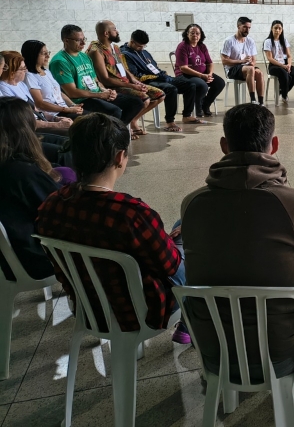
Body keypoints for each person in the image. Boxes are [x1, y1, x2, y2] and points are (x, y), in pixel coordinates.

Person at [180, 104, 294, 378]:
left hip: (212, 345)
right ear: (273, 145)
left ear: (225, 146)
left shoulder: (192, 203)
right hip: (282, 348)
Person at [36, 113, 190, 343]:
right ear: (120, 157)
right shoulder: (130, 213)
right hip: (143, 311)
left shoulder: (51, 204)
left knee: (180, 231)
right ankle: (192, 320)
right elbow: (171, 267)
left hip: (89, 307)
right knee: (189, 231)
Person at [0, 97, 75, 282]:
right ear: (25, 129)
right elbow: (65, 212)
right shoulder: (22, 172)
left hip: (9, 256)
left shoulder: (12, 166)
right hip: (33, 258)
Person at [49, 24, 144, 126]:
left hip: (96, 94)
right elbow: (72, 93)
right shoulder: (60, 62)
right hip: (81, 100)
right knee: (114, 111)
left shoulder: (84, 56)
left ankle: (115, 130)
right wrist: (100, 95)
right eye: (78, 40)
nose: (83, 43)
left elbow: (96, 80)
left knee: (136, 103)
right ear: (66, 41)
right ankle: (113, 131)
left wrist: (105, 91)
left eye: (84, 39)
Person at [88, 20, 165, 138]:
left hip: (125, 83)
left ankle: (133, 120)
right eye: (114, 29)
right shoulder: (96, 51)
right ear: (106, 33)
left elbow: (123, 68)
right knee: (144, 99)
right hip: (112, 86)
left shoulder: (115, 47)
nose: (117, 31)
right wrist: (132, 86)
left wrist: (135, 81)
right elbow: (105, 80)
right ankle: (122, 129)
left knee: (160, 95)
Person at [121, 29, 203, 131]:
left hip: (160, 77)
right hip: (147, 81)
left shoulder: (144, 52)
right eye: (139, 46)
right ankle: (170, 122)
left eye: (144, 46)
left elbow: (154, 67)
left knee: (190, 85)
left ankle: (186, 115)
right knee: (171, 89)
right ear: (132, 42)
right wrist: (156, 76)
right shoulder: (124, 54)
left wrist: (162, 74)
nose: (142, 48)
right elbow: (135, 75)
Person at [0, 51, 72, 135]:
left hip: (38, 123)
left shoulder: (21, 84)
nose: (26, 71)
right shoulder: (4, 89)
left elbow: (36, 111)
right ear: (11, 71)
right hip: (27, 130)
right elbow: (22, 121)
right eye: (22, 68)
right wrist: (57, 125)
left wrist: (55, 118)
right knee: (70, 134)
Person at [21, 40, 84, 117]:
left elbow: (58, 92)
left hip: (64, 110)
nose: (48, 56)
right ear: (32, 55)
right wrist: (66, 109)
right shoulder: (29, 76)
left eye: (48, 53)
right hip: (53, 114)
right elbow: (40, 104)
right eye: (44, 53)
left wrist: (73, 105)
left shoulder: (47, 71)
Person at [174, 23, 225, 117]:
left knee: (219, 83)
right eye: (192, 33)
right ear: (187, 34)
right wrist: (201, 76)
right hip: (185, 75)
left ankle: (205, 105)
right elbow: (183, 68)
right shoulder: (183, 46)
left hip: (203, 74)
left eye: (197, 33)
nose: (195, 35)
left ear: (201, 35)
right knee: (202, 85)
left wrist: (209, 74)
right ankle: (198, 108)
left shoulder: (202, 46)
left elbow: (210, 63)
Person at [222, 16, 266, 105]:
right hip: (232, 69)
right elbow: (224, 61)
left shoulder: (250, 41)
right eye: (245, 27)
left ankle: (261, 102)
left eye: (249, 28)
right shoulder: (229, 41)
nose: (247, 30)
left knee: (259, 73)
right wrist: (241, 61)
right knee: (250, 69)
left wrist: (252, 63)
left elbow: (254, 59)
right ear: (238, 26)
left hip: (247, 68)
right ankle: (253, 100)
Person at [262, 19, 294, 103]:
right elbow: (270, 58)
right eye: (275, 28)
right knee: (285, 74)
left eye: (279, 28)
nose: (277, 30)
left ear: (282, 30)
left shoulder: (284, 40)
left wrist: (289, 65)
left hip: (285, 63)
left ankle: (282, 90)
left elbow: (289, 56)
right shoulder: (268, 41)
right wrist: (283, 66)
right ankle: (284, 95)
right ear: (271, 29)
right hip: (274, 65)